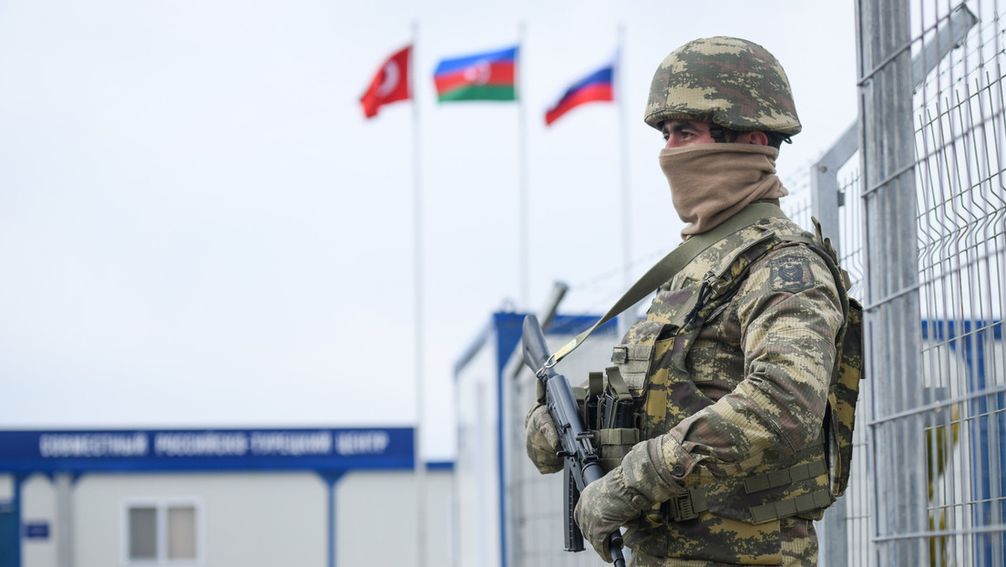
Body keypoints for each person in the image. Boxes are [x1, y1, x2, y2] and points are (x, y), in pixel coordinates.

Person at [525, 36, 847, 566]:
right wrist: (567, 424)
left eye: (686, 133)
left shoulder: (785, 264)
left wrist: (634, 479)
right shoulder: (698, 268)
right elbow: (661, 395)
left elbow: (784, 403)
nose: (670, 153)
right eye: (667, 135)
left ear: (750, 138)